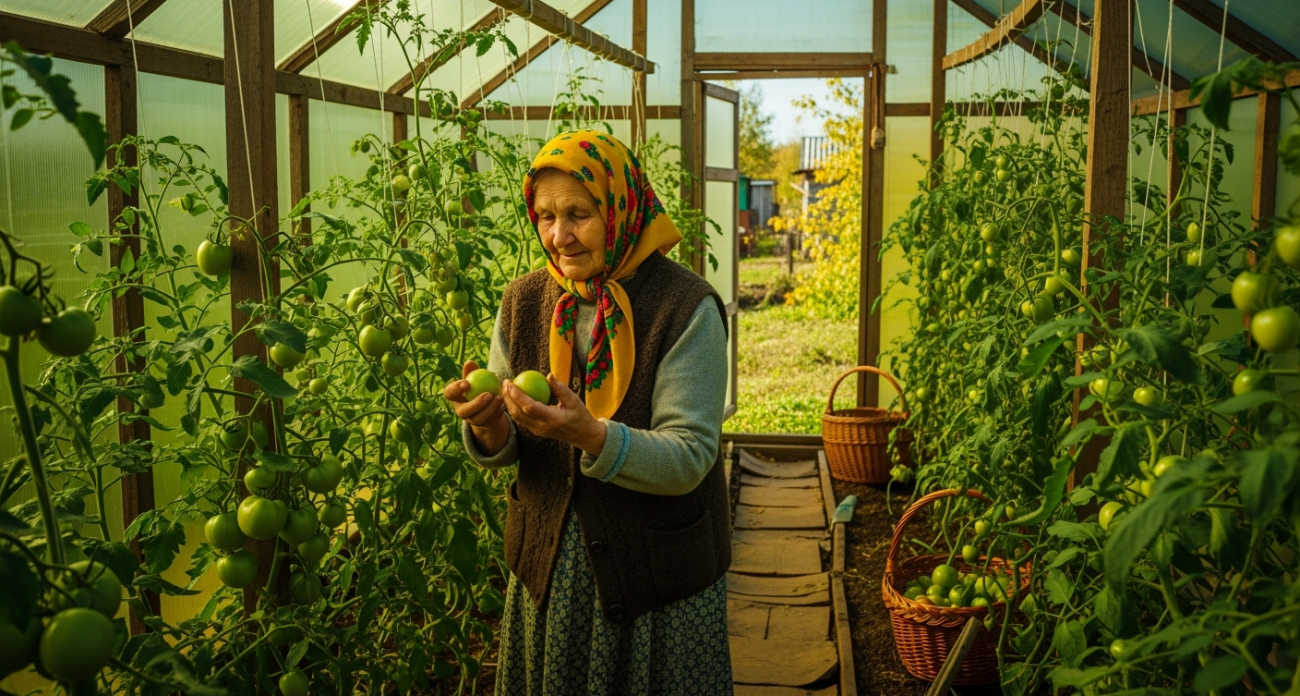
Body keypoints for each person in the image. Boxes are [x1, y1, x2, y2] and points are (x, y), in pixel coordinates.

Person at [443, 130, 733, 695]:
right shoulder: (523, 300)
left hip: (658, 582)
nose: (559, 236)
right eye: (546, 217)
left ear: (621, 206)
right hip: (551, 574)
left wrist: (594, 437)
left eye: (578, 214)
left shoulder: (684, 307)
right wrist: (485, 422)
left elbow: (691, 455)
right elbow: (509, 445)